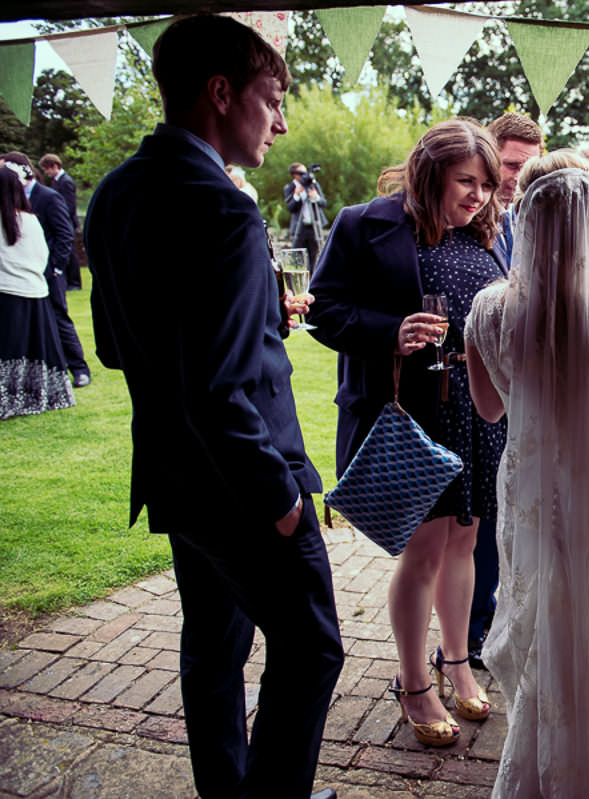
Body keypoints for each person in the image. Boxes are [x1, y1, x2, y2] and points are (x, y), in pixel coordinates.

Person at [83, 15, 343, 799]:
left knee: (213, 647)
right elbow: (219, 392)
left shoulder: (114, 193)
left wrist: (254, 321)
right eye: (273, 98)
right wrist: (282, 503)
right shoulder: (224, 209)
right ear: (221, 91)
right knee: (311, 649)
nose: (282, 120)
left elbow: (115, 346)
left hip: (174, 479)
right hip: (245, 489)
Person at [464, 155, 589, 798]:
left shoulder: (489, 312)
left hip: (532, 499)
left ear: (527, 220)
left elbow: (490, 408)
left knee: (547, 639)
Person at [308, 119, 505, 748]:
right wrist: (389, 331)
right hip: (412, 415)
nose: (478, 196)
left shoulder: (485, 235)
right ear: (430, 173)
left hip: (475, 416)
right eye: (466, 181)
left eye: (486, 185)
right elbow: (324, 310)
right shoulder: (365, 222)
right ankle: (414, 682)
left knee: (467, 541)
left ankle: (457, 664)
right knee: (422, 551)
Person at [466, 112, 541, 669]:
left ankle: (495, 621)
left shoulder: (529, 219)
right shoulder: (465, 220)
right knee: (474, 527)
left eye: (526, 166)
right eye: (512, 164)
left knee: (506, 520)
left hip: (528, 395)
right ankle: (466, 633)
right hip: (476, 394)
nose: (518, 176)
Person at [2, 152, 90, 389]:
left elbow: (64, 233)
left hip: (49, 271)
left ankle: (80, 369)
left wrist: (56, 268)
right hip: (21, 275)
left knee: (59, 319)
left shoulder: (48, 196)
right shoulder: (11, 201)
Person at [0, 166, 75, 420]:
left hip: (8, 292)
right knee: (34, 348)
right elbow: (41, 254)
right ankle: (37, 395)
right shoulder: (30, 219)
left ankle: (10, 397)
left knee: (10, 348)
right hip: (35, 291)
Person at [486, 112, 542, 266]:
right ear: (489, 158)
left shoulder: (534, 220)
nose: (520, 178)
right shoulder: (466, 216)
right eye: (512, 165)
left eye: (529, 168)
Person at [38, 154, 81, 290]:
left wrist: (61, 219)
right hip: (62, 220)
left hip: (67, 222)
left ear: (54, 166)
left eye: (47, 169)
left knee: (71, 253)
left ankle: (75, 282)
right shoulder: (56, 181)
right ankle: (68, 280)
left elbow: (69, 205)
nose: (46, 172)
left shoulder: (65, 181)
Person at [285, 162, 327, 266]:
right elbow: (290, 208)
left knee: (314, 258)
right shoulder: (289, 188)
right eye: (301, 173)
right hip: (299, 228)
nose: (305, 175)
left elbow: (324, 203)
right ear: (294, 174)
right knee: (298, 258)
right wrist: (296, 195)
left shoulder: (314, 185)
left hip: (314, 227)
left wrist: (315, 197)